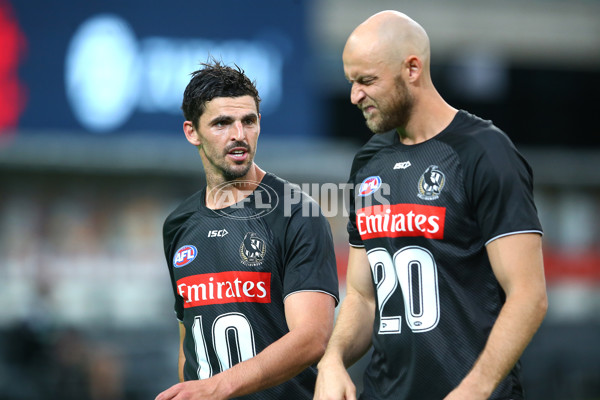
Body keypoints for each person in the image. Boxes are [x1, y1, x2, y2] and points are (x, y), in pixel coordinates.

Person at [314, 10, 548, 400]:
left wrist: (475, 388)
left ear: (412, 69)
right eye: (351, 82)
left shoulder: (485, 153)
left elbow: (529, 295)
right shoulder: (368, 162)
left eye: (367, 80)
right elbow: (363, 296)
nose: (355, 95)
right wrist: (333, 359)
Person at [156, 60, 339, 400]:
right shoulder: (178, 225)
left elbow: (312, 337)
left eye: (248, 121)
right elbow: (190, 340)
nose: (238, 135)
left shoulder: (296, 213)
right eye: (222, 123)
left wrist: (218, 387)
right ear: (191, 132)